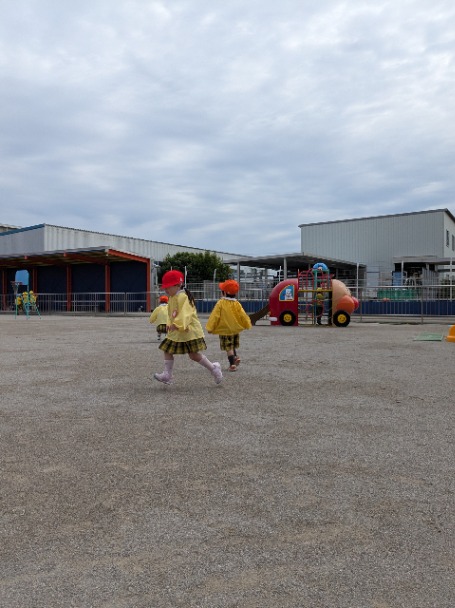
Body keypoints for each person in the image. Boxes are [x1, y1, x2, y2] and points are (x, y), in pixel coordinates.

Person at [153, 270, 223, 386]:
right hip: (177, 331)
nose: (166, 290)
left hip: (189, 331)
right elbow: (171, 314)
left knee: (193, 355)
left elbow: (186, 314)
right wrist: (169, 324)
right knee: (167, 350)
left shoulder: (183, 297)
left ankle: (213, 368)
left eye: (168, 287)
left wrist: (177, 324)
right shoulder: (172, 297)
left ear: (177, 285)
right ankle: (167, 374)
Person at [206, 279, 252, 371]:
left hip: (225, 329)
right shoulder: (237, 303)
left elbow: (215, 316)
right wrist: (247, 324)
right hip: (235, 329)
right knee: (232, 345)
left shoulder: (221, 303)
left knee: (228, 348)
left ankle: (232, 365)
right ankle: (235, 357)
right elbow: (243, 315)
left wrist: (210, 327)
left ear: (225, 293)